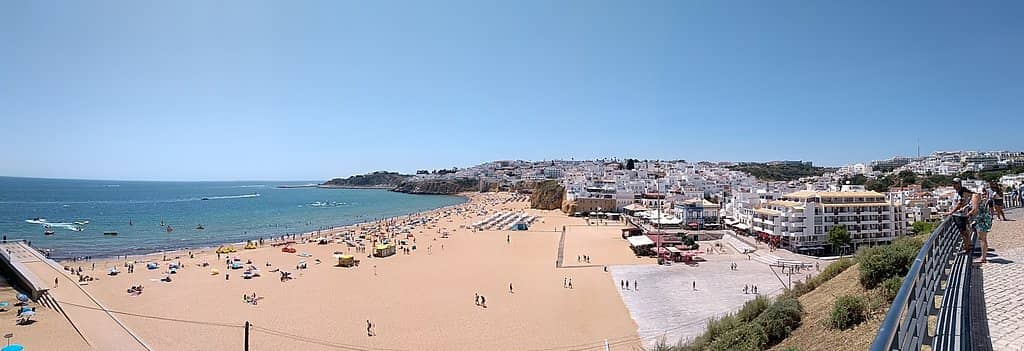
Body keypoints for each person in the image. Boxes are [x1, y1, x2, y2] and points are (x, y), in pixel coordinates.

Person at [946, 179, 975, 254]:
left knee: (963, 232)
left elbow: (960, 204)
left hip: (959, 215)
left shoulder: (961, 192)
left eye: (955, 184)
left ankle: (966, 248)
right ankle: (968, 245)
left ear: (959, 184)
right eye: (953, 184)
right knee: (965, 231)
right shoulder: (961, 191)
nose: (954, 185)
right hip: (961, 214)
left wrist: (951, 212)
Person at [970, 184, 993, 263]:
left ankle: (983, 257)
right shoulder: (985, 198)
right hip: (985, 219)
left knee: (982, 239)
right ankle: (983, 256)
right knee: (983, 239)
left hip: (981, 220)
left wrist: (968, 214)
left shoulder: (977, 197)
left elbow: (975, 209)